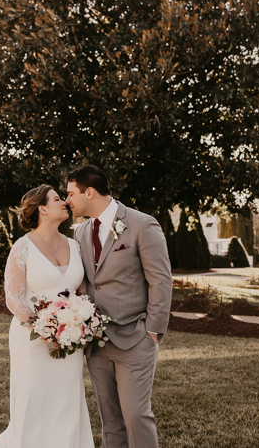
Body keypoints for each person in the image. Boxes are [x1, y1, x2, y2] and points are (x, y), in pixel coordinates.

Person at [65, 165, 172, 448]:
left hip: (135, 337)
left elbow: (160, 281)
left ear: (89, 192)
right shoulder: (80, 232)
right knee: (110, 422)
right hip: (96, 344)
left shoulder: (142, 224)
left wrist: (152, 331)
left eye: (70, 193)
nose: (67, 201)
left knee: (136, 416)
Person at [0, 184, 95, 448]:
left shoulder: (75, 245)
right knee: (35, 401)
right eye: (58, 199)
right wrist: (45, 327)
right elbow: (13, 298)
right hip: (33, 339)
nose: (65, 203)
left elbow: (81, 292)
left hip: (70, 340)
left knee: (67, 401)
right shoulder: (22, 248)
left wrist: (77, 322)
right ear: (43, 209)